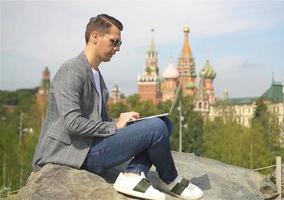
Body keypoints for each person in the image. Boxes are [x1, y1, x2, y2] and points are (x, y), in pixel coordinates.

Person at [32, 14, 203, 200]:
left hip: (91, 146)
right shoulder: (71, 69)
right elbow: (72, 123)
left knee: (163, 122)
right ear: (95, 36)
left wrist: (122, 121)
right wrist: (114, 126)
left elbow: (99, 122)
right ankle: (169, 179)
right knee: (157, 128)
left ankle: (133, 174)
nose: (117, 49)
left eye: (119, 44)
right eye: (114, 42)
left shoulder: (96, 75)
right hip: (73, 154)